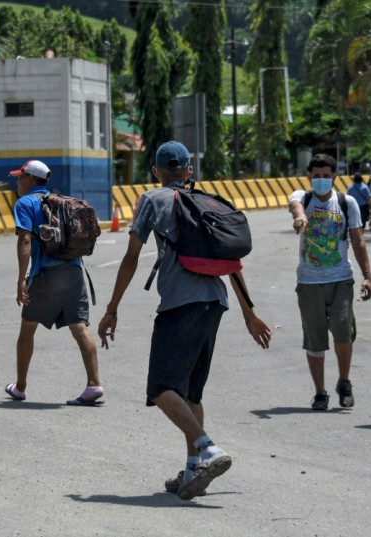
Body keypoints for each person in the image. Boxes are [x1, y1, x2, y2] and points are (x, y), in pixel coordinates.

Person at [97, 141, 272, 500]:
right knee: (191, 392)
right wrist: (249, 312)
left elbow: (130, 257)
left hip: (180, 305)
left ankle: (209, 450)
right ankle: (193, 472)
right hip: (215, 304)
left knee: (161, 388)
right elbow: (232, 263)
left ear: (157, 172)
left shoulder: (152, 199)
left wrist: (112, 307)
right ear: (189, 171)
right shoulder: (207, 202)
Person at [4, 159, 103, 406]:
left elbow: (25, 240)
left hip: (46, 274)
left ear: (29, 179)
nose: (17, 181)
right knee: (80, 327)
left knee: (28, 327)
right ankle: (94, 385)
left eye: (19, 177)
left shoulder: (25, 203)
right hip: (74, 271)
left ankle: (20, 387)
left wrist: (21, 280)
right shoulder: (62, 202)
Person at [289, 153, 371, 411]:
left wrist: (368, 276)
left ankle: (344, 382)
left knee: (343, 331)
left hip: (341, 280)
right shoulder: (301, 197)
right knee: (314, 340)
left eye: (326, 176)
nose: (322, 180)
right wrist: (300, 218)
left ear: (335, 177)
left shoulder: (347, 203)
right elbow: (295, 207)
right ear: (309, 178)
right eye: (317, 176)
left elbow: (358, 241)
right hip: (309, 281)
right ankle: (320, 392)